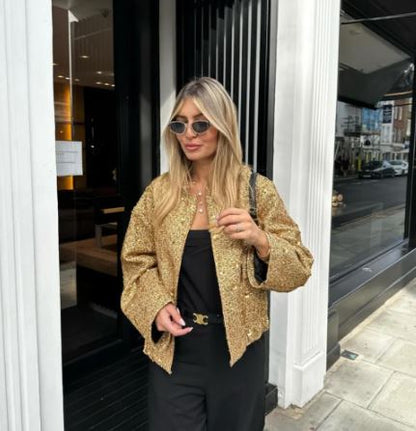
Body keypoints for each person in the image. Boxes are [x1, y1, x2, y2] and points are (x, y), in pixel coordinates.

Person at [121, 77, 313, 431]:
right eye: (179, 124)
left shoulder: (256, 190)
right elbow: (136, 260)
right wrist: (156, 305)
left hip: (239, 350)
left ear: (223, 127)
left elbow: (300, 266)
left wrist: (260, 239)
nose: (188, 134)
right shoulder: (159, 193)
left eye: (201, 124)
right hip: (175, 351)